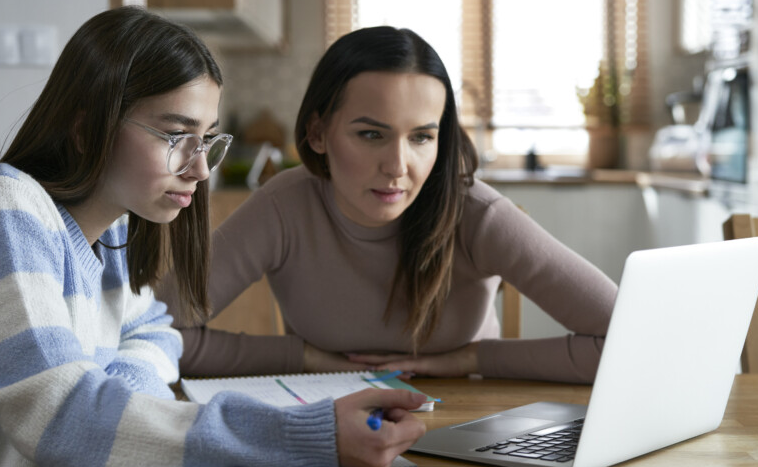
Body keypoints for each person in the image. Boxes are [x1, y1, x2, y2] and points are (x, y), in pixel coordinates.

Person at [0, 8, 426, 467]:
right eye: (175, 135)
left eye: (207, 139)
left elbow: (154, 329)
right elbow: (64, 420)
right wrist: (306, 436)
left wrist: (114, 385)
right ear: (88, 127)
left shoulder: (107, 230)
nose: (201, 167)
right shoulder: (5, 209)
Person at [160, 26, 618, 381]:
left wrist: (469, 359)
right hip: (327, 422)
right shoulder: (283, 207)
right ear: (318, 134)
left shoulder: (478, 214)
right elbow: (153, 332)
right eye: (371, 135)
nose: (398, 165)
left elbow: (628, 340)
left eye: (421, 137)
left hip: (472, 419)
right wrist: (305, 358)